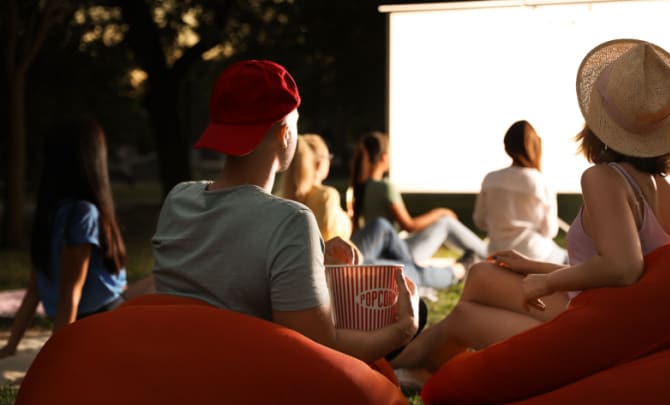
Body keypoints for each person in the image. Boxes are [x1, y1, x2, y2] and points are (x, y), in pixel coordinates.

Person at [389, 39, 670, 375]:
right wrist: (535, 267)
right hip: (628, 322)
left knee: (466, 314)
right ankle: (427, 371)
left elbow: (624, 268)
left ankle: (393, 369)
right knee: (480, 274)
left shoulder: (605, 179)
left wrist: (547, 283)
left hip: (603, 335)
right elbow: (626, 276)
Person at [151, 60, 418, 363]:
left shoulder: (178, 199)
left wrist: (310, 257)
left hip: (177, 367)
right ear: (285, 134)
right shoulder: (292, 220)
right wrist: (403, 331)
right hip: (247, 379)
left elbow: (223, 269)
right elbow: (321, 351)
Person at [0, 118, 129, 359]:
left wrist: (54, 359)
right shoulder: (62, 212)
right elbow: (38, 288)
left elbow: (69, 293)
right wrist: (10, 347)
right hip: (85, 317)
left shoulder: (77, 212)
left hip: (104, 315)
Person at [278, 134, 464, 290]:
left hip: (332, 262)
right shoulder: (326, 196)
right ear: (319, 165)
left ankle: (415, 265)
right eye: (329, 157)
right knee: (408, 270)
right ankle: (458, 270)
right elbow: (330, 241)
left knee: (380, 226)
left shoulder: (285, 199)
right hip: (341, 269)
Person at [350, 131, 488, 268]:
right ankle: (489, 254)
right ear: (384, 157)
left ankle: (478, 255)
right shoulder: (385, 186)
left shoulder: (362, 187)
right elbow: (409, 225)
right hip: (398, 253)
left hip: (382, 251)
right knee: (446, 222)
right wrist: (439, 212)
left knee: (444, 223)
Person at [473, 120, 568, 264]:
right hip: (534, 253)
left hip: (497, 252)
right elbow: (550, 231)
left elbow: (480, 221)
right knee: (569, 257)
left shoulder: (490, 179)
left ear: (507, 146)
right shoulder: (541, 181)